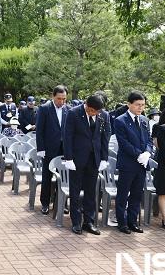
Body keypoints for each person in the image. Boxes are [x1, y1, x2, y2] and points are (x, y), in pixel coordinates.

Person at [63, 94, 111, 235]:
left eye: (97, 112)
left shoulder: (104, 115)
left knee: (91, 191)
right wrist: (68, 158)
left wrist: (104, 158)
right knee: (75, 191)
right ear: (87, 106)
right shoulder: (73, 113)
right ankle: (76, 221)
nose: (95, 114)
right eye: (92, 111)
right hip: (77, 158)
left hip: (94, 159)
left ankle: (89, 221)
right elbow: (67, 136)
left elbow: (105, 137)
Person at [114, 91, 153, 234]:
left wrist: (148, 152)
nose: (140, 108)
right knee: (123, 194)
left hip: (142, 164)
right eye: (137, 105)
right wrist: (139, 154)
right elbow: (123, 143)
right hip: (128, 163)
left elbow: (149, 139)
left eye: (142, 105)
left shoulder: (144, 120)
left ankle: (132, 221)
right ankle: (122, 222)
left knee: (137, 194)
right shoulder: (120, 120)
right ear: (129, 104)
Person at [36, 85, 69, 215]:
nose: (61, 101)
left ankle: (62, 203)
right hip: (49, 148)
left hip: (64, 149)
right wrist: (41, 148)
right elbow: (39, 130)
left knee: (64, 177)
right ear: (53, 96)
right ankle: (45, 203)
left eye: (64, 99)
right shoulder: (44, 109)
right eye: (59, 98)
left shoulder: (68, 109)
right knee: (47, 176)